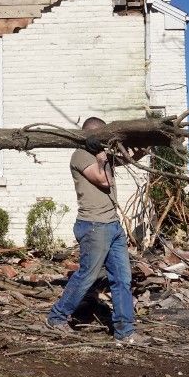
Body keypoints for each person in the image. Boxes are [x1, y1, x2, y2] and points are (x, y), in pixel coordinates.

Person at [45, 116, 144, 344]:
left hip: (113, 225)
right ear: (93, 134)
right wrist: (102, 159)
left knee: (122, 279)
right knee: (87, 276)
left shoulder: (104, 156)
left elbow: (127, 160)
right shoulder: (80, 156)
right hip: (93, 226)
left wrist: (143, 147)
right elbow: (104, 181)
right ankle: (57, 316)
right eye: (105, 135)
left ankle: (124, 332)